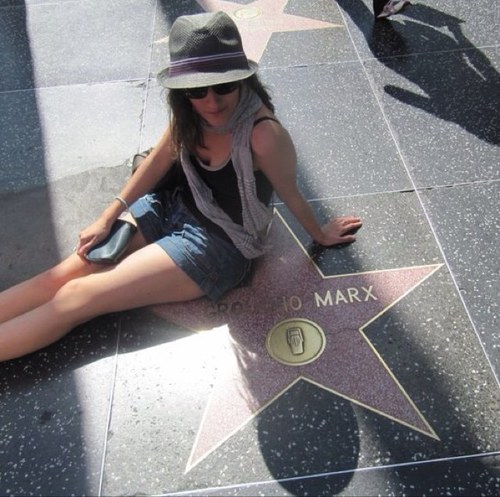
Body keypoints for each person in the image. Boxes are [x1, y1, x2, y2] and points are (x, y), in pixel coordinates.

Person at [0, 11, 362, 362]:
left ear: (242, 78)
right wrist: (108, 215)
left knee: (78, 296)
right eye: (195, 90)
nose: (211, 101)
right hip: (171, 206)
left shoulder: (263, 135)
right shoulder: (188, 112)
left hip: (217, 246)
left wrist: (320, 233)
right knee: (63, 274)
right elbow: (159, 162)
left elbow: (290, 191)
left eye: (223, 85)